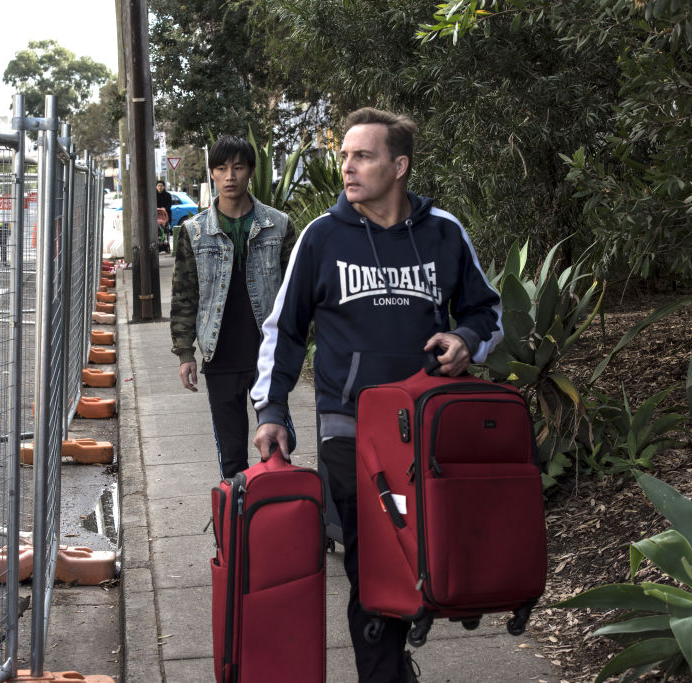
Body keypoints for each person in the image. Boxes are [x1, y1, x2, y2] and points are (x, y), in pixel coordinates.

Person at [251, 108, 504, 681]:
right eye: (344, 155)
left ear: (399, 166)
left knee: (422, 555)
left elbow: (487, 311)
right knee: (371, 565)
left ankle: (401, 646)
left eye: (362, 156)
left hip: (425, 429)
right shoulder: (322, 236)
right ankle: (384, 674)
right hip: (350, 428)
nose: (347, 167)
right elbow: (283, 330)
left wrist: (467, 341)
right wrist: (272, 409)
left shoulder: (444, 232)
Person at [170, 135, 297, 479]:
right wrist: (185, 353)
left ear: (251, 172)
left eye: (238, 167)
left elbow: (297, 292)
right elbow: (184, 295)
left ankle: (276, 524)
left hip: (267, 357)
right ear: (212, 173)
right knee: (232, 458)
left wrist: (297, 346)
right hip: (220, 356)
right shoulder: (194, 231)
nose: (230, 176)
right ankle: (237, 528)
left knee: (276, 451)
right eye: (222, 168)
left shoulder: (279, 225)